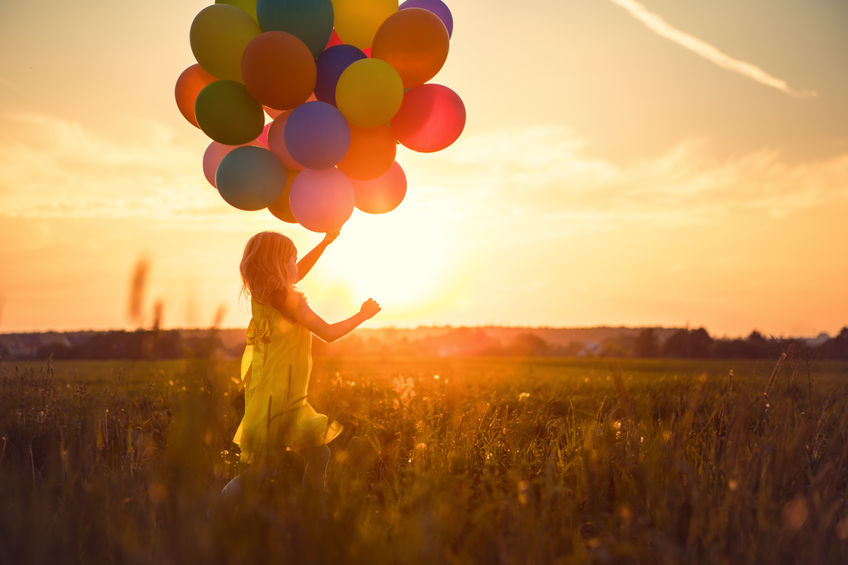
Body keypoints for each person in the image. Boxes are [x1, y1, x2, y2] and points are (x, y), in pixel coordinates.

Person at [222, 229, 380, 500]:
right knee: (266, 469)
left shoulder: (266, 295)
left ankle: (312, 513)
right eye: (292, 259)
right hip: (283, 394)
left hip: (275, 388)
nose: (296, 265)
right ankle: (216, 510)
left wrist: (324, 244)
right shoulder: (287, 300)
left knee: (319, 455)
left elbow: (298, 273)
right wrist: (362, 316)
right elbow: (328, 333)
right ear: (279, 264)